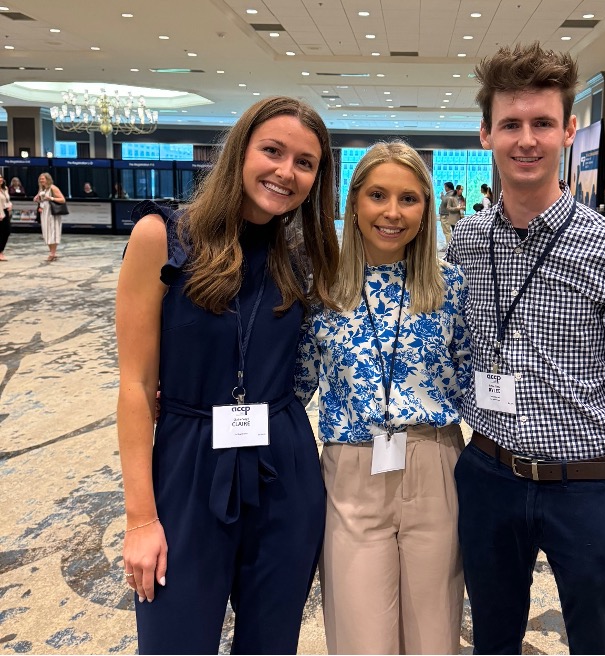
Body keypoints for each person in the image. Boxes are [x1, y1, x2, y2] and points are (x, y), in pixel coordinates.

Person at [446, 42, 605, 655]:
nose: (527, 139)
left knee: (598, 641)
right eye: (511, 124)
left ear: (569, 131)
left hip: (588, 484)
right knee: (491, 636)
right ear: (486, 135)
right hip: (489, 472)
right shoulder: (466, 241)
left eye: (543, 123)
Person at [115, 96, 339, 655]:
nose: (286, 172)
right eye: (273, 151)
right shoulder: (161, 237)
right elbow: (136, 386)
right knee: (175, 642)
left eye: (305, 162)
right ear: (241, 151)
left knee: (271, 643)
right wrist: (141, 518)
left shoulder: (304, 254)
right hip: (188, 462)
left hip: (282, 462)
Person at [295, 141, 471, 654]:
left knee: (434, 635)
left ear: (427, 208)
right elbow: (293, 384)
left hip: (435, 461)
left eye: (409, 199)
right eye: (377, 195)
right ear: (353, 204)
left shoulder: (451, 288)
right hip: (352, 470)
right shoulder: (322, 290)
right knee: (360, 637)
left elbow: (471, 379)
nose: (392, 213)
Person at [33, 173, 66, 262]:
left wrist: (51, 198)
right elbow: (41, 199)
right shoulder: (41, 189)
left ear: (48, 179)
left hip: (52, 213)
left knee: (53, 232)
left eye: (43, 179)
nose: (41, 180)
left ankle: (52, 253)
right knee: (46, 232)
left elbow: (62, 199)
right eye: (40, 179)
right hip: (44, 213)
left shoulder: (53, 188)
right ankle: (52, 252)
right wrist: (37, 199)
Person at [437, 181, 457, 249]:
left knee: (447, 231)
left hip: (446, 215)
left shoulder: (450, 194)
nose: (445, 188)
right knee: (449, 231)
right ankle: (450, 245)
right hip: (450, 215)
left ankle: (449, 246)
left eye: (445, 187)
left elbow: (445, 201)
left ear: (448, 187)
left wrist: (442, 196)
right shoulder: (454, 193)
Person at [0, 175, 11, 261]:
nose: (0, 179)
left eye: (1, 177)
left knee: (6, 232)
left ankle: (1, 250)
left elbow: (7, 200)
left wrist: (10, 205)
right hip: (0, 212)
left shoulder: (5, 188)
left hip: (5, 211)